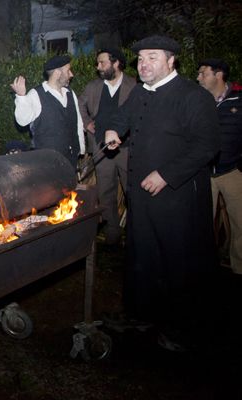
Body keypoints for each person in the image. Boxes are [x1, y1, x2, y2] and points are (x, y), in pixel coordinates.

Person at [104, 35, 220, 351]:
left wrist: (167, 175)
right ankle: (141, 313)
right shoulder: (140, 92)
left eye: (152, 57)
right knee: (143, 256)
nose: (144, 64)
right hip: (141, 197)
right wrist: (113, 130)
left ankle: (181, 327)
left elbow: (207, 146)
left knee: (177, 261)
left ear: (171, 61)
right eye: (141, 58)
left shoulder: (194, 97)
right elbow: (121, 117)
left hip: (178, 199)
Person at [78, 48, 137, 245]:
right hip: (101, 147)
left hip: (126, 148)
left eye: (102, 63)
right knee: (105, 191)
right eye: (98, 63)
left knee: (133, 189)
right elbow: (80, 105)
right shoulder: (93, 86)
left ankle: (136, 232)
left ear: (116, 63)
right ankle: (112, 231)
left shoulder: (134, 86)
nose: (98, 67)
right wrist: (87, 123)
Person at [197, 58, 242, 275]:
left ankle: (239, 268)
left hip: (233, 171)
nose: (198, 78)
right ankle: (204, 268)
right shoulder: (197, 101)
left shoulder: (239, 100)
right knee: (200, 224)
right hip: (204, 172)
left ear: (218, 75)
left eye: (203, 73)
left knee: (240, 222)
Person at [11, 55, 85, 166]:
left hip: (71, 159)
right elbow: (22, 121)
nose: (71, 74)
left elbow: (78, 123)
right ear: (57, 73)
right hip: (47, 163)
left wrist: (81, 148)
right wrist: (21, 97)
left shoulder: (70, 93)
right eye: (68, 70)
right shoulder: (36, 94)